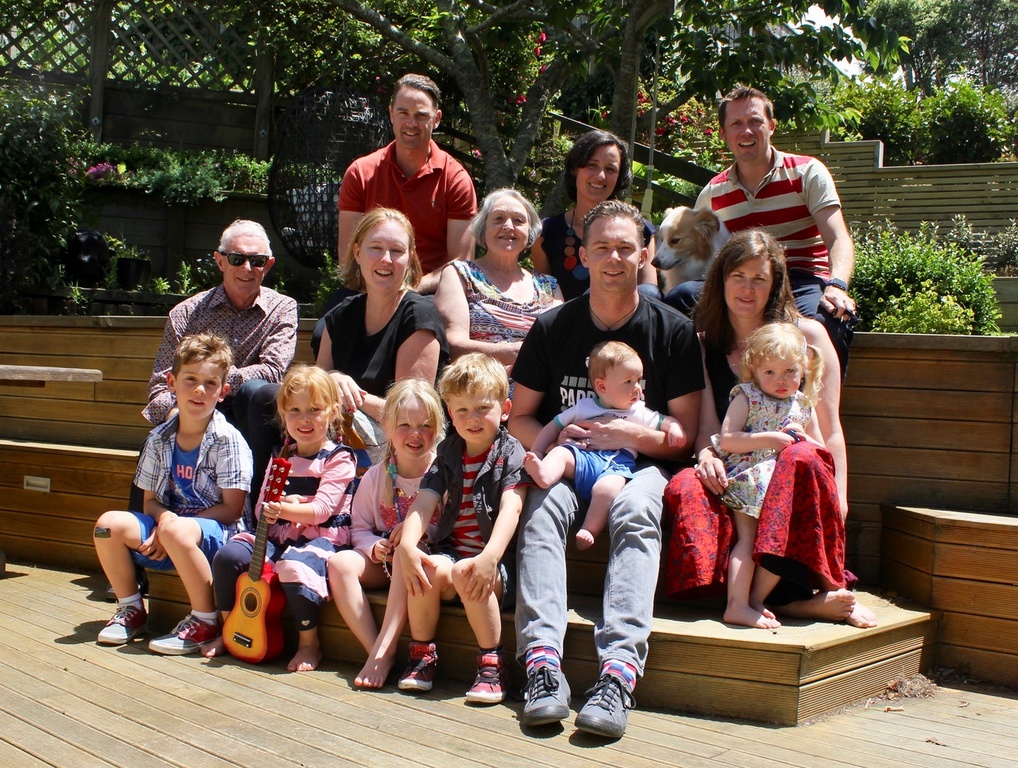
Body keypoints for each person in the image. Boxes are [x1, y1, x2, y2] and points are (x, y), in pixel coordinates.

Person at [509, 200, 702, 738]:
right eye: (602, 248)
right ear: (583, 255)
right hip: (571, 460)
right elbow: (520, 417)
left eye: (625, 248)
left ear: (643, 255)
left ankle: (618, 673)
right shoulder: (553, 327)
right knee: (541, 506)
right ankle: (541, 665)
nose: (614, 258)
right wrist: (558, 439)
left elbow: (684, 439)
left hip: (640, 466)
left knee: (638, 509)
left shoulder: (673, 331)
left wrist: (628, 436)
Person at [661, 228, 878, 630]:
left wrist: (840, 496)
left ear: (775, 284)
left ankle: (810, 594)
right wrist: (706, 456)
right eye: (738, 276)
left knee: (801, 457)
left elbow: (829, 430)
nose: (747, 289)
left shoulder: (808, 336)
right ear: (720, 279)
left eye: (759, 279)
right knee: (686, 485)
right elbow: (709, 429)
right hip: (740, 465)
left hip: (794, 468)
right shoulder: (704, 343)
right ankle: (745, 599)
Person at [670, 85, 857, 377]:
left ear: (771, 126)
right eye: (736, 124)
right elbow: (695, 250)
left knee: (827, 318)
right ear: (724, 134)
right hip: (744, 281)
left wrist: (837, 286)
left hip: (802, 279)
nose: (746, 131)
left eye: (755, 121)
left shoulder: (807, 172)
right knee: (678, 301)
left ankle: (819, 404)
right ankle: (697, 397)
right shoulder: (713, 193)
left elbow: (838, 237)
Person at [94, 333, 252, 654]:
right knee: (107, 525)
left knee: (176, 530)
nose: (199, 389)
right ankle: (131, 608)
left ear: (222, 392)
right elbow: (149, 502)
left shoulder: (228, 440)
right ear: (171, 383)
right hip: (170, 531)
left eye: (210, 383)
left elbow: (233, 510)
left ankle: (205, 621)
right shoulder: (158, 439)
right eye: (190, 379)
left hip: (219, 537)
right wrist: (165, 521)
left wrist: (171, 527)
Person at [203, 364, 358, 672]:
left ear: (332, 412)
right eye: (295, 410)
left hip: (320, 540)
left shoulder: (339, 457)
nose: (304, 419)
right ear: (283, 413)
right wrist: (277, 509)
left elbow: (322, 510)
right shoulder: (282, 456)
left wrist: (285, 507)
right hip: (277, 536)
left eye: (314, 409)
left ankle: (309, 643)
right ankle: (228, 627)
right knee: (228, 556)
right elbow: (261, 508)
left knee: (294, 566)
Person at [395, 354, 528, 705]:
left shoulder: (510, 452)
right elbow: (425, 501)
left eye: (482, 408)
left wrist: (490, 557)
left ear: (504, 409)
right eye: (462, 410)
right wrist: (408, 546)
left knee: (466, 571)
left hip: (499, 565)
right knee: (426, 566)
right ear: (450, 415)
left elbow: (512, 508)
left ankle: (493, 663)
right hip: (454, 555)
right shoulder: (449, 451)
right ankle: (422, 654)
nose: (472, 418)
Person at [141, 219, 297, 509]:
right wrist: (184, 419)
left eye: (257, 261)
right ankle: (141, 526)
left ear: (269, 265)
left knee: (261, 391)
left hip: (250, 416)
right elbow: (161, 385)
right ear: (220, 261)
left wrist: (216, 382)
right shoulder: (186, 313)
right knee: (156, 440)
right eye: (237, 258)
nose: (247, 268)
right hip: (193, 409)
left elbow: (274, 369)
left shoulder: (282, 309)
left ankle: (257, 509)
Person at [328, 378, 446, 689]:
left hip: (424, 565)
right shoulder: (376, 477)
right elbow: (359, 528)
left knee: (407, 553)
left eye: (425, 425)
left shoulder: (443, 475)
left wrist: (419, 532)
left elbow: (449, 528)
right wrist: (374, 546)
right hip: (383, 563)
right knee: (339, 564)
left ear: (438, 428)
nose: (415, 434)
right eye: (404, 425)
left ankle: (382, 651)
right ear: (387, 427)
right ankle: (378, 650)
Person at [714, 323, 824, 630]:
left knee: (779, 544)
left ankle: (757, 600)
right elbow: (728, 440)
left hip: (785, 486)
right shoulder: (747, 396)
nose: (781, 380)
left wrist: (804, 438)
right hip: (752, 479)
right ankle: (736, 605)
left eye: (790, 371)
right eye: (770, 372)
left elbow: (821, 449)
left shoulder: (803, 404)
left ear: (804, 368)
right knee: (749, 541)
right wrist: (771, 438)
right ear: (754, 369)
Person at [523, 340, 684, 550]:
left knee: (607, 490)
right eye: (628, 381)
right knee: (561, 454)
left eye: (638, 380)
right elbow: (553, 426)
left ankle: (590, 529)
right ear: (602, 386)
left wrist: (675, 428)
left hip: (616, 465)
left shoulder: (638, 411)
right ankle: (545, 474)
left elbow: (663, 421)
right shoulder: (584, 407)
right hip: (583, 457)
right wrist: (537, 450)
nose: (637, 388)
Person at [316, 207, 448, 457]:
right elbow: (316, 386)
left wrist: (349, 395)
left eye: (397, 251)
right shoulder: (340, 315)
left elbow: (411, 413)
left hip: (406, 441)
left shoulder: (419, 316)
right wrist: (333, 377)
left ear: (409, 258)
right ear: (357, 253)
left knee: (332, 420)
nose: (386, 259)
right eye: (375, 248)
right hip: (346, 430)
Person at [338, 73, 477, 295]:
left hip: (430, 292)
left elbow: (461, 264)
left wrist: (406, 291)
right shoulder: (360, 173)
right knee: (329, 319)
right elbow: (348, 258)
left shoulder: (455, 180)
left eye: (421, 115)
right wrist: (379, 293)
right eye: (403, 113)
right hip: (369, 289)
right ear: (391, 113)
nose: (411, 123)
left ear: (437, 119)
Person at [434, 188, 562, 377]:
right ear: (483, 230)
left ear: (530, 232)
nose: (508, 226)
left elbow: (562, 344)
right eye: (498, 219)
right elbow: (452, 345)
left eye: (518, 220)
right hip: (479, 390)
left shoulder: (549, 286)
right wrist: (514, 353)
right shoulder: (459, 274)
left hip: (540, 390)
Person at [530, 130, 659, 301]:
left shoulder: (640, 230)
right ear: (575, 169)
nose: (600, 176)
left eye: (610, 169)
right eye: (592, 165)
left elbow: (650, 297)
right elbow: (544, 299)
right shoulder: (547, 233)